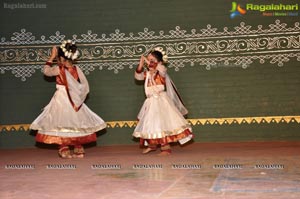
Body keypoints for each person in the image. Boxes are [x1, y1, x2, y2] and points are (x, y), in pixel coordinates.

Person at [30, 40, 106, 158]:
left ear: (60, 58)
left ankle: (64, 147)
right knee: (76, 121)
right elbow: (84, 86)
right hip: (75, 100)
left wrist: (51, 58)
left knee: (61, 122)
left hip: (61, 99)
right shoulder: (77, 69)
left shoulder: (59, 69)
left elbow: (46, 72)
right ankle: (78, 147)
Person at [133, 47, 193, 155]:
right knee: (150, 124)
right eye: (148, 60)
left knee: (162, 124)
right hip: (151, 101)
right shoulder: (147, 74)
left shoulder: (161, 71)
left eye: (152, 60)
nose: (149, 63)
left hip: (160, 101)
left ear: (159, 62)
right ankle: (152, 145)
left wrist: (147, 61)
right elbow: (138, 76)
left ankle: (166, 148)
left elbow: (159, 68)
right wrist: (141, 63)